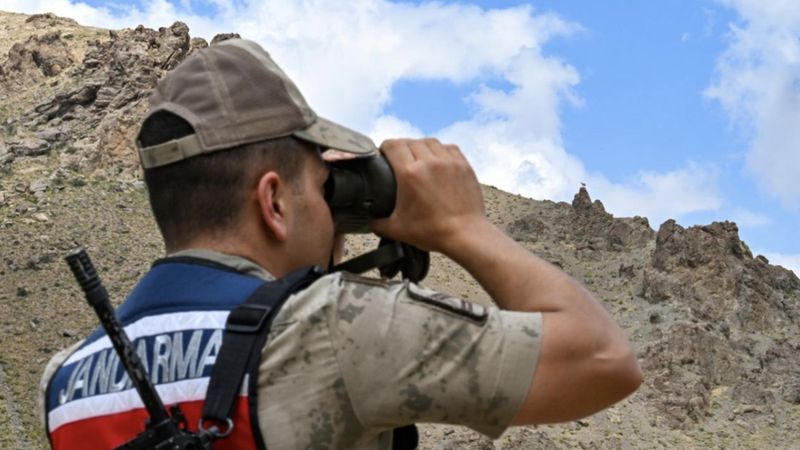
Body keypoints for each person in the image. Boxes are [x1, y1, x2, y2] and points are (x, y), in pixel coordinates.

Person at [40, 39, 641, 449]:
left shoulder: (65, 381)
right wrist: (463, 226)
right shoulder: (331, 329)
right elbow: (603, 361)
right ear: (274, 202)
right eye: (320, 187)